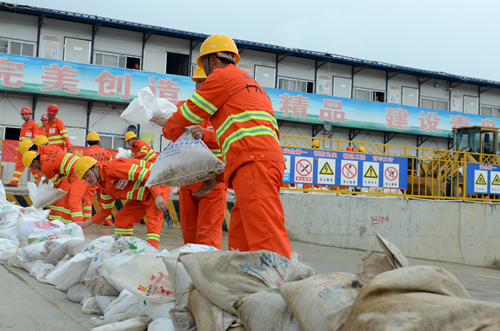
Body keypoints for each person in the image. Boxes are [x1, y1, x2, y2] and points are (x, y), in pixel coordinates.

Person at [156, 34, 292, 258]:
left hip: (254, 164)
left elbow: (190, 113)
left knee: (266, 237)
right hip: (264, 163)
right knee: (241, 235)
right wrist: (216, 178)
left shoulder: (222, 76)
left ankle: (284, 288)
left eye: (204, 67)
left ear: (213, 60)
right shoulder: (252, 86)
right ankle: (242, 283)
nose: (205, 77)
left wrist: (169, 127)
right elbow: (240, 138)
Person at [151, 65, 227, 249]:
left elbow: (230, 138)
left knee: (208, 237)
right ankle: (190, 275)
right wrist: (168, 122)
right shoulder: (184, 107)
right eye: (198, 82)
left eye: (204, 81)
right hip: (187, 182)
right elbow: (170, 134)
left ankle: (205, 274)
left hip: (213, 182)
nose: (200, 86)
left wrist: (206, 135)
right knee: (190, 236)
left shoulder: (224, 111)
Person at [74, 156, 171, 248]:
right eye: (84, 178)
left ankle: (151, 254)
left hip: (158, 183)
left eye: (87, 175)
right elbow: (105, 211)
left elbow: (146, 174)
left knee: (153, 221)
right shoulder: (104, 188)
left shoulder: (113, 168)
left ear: (95, 167)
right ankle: (124, 248)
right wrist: (85, 224)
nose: (88, 180)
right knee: (122, 218)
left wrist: (157, 195)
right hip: (144, 195)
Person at [22, 149, 80, 224]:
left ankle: (79, 230)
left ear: (36, 162)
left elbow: (57, 184)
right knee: (68, 203)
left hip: (75, 173)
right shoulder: (46, 153)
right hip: (76, 169)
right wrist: (48, 176)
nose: (34, 169)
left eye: (32, 166)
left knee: (73, 203)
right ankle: (68, 227)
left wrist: (47, 191)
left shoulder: (45, 167)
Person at [81, 132, 114, 226]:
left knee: (88, 198)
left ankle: (87, 219)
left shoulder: (86, 153)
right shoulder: (105, 151)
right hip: (104, 178)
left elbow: (83, 167)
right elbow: (111, 164)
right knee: (105, 200)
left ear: (88, 142)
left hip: (92, 179)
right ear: (98, 142)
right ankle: (107, 221)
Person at [7, 107, 38, 187]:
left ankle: (39, 181)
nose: (24, 116)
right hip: (22, 150)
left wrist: (33, 151)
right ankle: (14, 182)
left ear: (30, 115)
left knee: (33, 166)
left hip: (30, 151)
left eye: (26, 114)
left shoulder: (34, 125)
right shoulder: (23, 125)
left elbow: (35, 139)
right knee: (19, 166)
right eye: (23, 115)